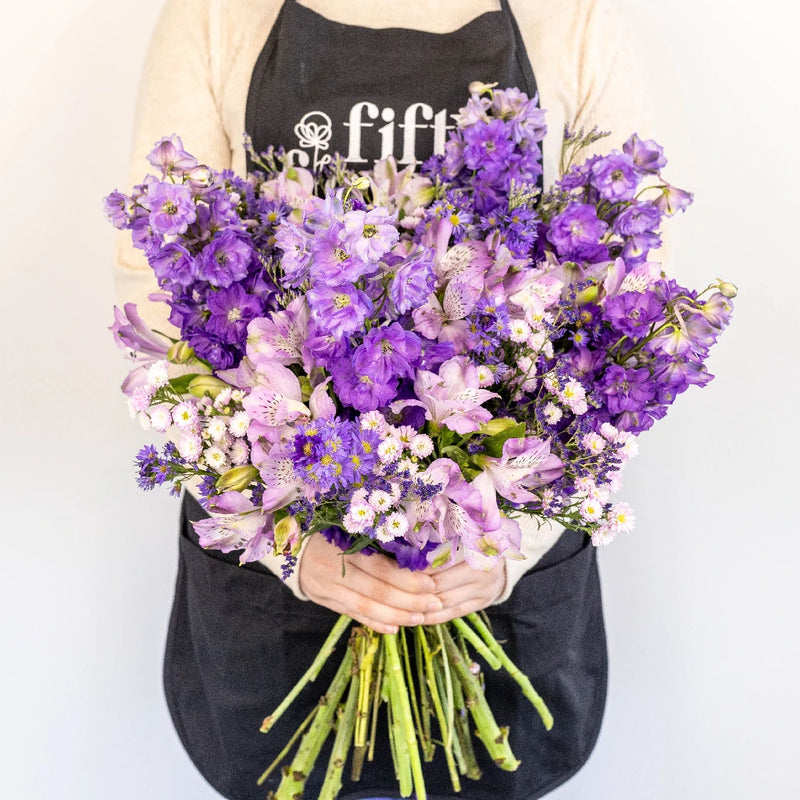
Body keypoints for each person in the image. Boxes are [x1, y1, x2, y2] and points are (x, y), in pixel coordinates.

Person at [116, 2, 653, 798]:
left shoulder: (571, 18)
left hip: (482, 573)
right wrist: (294, 546)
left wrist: (508, 547)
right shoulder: (215, 14)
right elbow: (158, 293)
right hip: (285, 575)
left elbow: (622, 312)